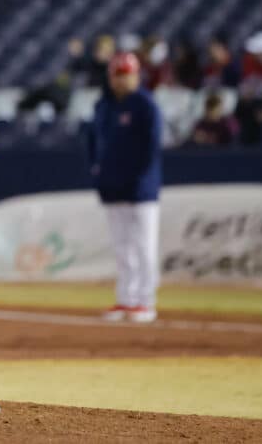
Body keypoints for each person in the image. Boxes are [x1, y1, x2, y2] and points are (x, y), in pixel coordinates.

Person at [87, 52, 163, 323]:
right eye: (118, 74)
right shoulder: (104, 105)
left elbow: (151, 148)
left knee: (144, 246)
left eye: (126, 74)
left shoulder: (145, 105)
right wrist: (98, 174)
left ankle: (145, 301)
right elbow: (94, 143)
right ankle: (126, 299)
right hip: (112, 187)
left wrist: (140, 179)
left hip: (141, 190)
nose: (122, 80)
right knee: (122, 247)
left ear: (136, 75)